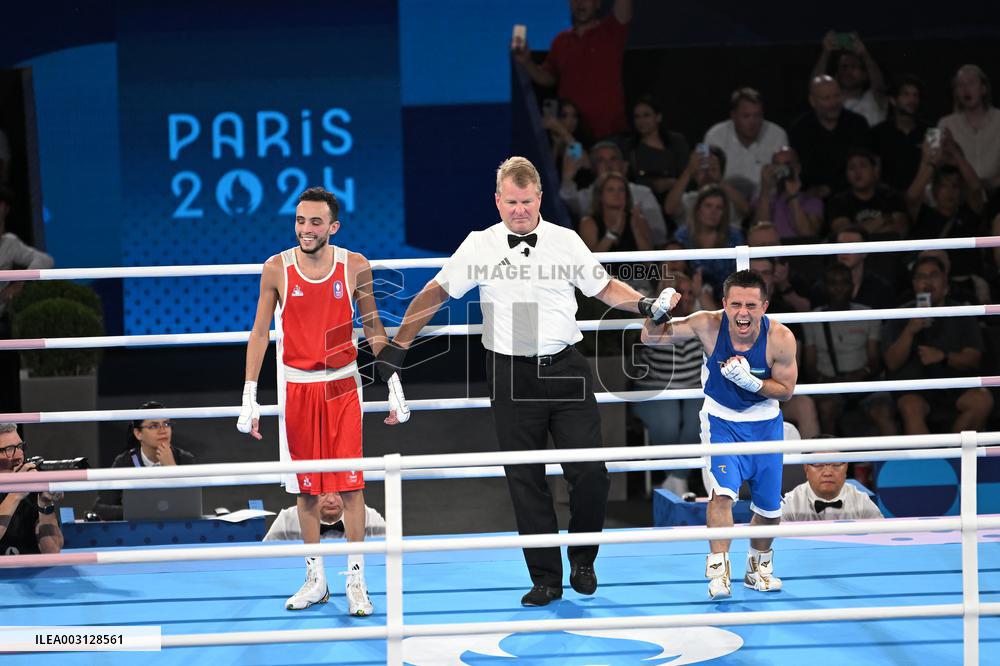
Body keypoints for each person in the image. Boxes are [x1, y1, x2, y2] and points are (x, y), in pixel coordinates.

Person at [376, 156, 677, 607]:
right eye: (511, 202)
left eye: (527, 201)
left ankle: (583, 558)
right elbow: (436, 291)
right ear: (497, 201)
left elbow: (603, 286)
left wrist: (645, 304)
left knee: (591, 473)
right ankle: (545, 579)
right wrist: (398, 345)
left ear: (539, 199)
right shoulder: (479, 244)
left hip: (566, 367)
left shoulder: (565, 240)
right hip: (509, 371)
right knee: (525, 479)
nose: (519, 210)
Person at [237, 186, 398, 616]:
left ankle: (357, 581)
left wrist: (394, 385)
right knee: (305, 492)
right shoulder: (276, 268)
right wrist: (249, 395)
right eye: (300, 221)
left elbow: (373, 326)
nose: (306, 229)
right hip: (297, 389)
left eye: (315, 222)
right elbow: (259, 333)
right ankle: (316, 579)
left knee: (350, 486)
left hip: (343, 385)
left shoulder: (354, 265)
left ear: (333, 226)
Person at [642, 269, 798, 600]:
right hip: (721, 421)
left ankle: (758, 571)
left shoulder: (781, 338)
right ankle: (719, 573)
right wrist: (657, 314)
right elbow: (651, 338)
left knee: (770, 509)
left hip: (766, 424)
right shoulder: (707, 324)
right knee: (722, 495)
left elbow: (786, 391)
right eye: (736, 304)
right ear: (725, 303)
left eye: (751, 305)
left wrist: (753, 384)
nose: (743, 313)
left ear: (765, 306)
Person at [883, 256, 993, 435]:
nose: (927, 282)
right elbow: (891, 363)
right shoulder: (899, 315)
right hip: (915, 388)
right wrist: (909, 331)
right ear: (914, 284)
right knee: (911, 406)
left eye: (933, 275)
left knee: (982, 400)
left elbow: (974, 358)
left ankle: (953, 458)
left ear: (945, 281)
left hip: (956, 385)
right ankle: (930, 462)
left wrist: (943, 356)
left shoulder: (963, 313)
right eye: (921, 277)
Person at [512, 0, 632, 139]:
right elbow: (548, 78)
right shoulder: (561, 41)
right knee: (574, 157)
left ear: (598, 3)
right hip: (570, 134)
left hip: (609, 133)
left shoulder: (611, 31)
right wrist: (526, 62)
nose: (580, 3)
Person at [802, 263, 895, 437]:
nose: (838, 288)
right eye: (832, 283)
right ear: (824, 287)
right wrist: (827, 382)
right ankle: (829, 462)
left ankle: (896, 463)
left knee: (883, 413)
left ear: (852, 286)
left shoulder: (868, 314)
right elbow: (809, 365)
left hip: (866, 384)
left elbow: (875, 359)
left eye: (844, 283)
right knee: (826, 409)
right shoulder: (812, 318)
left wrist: (861, 375)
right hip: (829, 386)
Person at [631, 272, 703, 495]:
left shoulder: (702, 319)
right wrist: (661, 306)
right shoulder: (651, 316)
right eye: (683, 293)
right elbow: (636, 344)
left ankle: (676, 478)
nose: (688, 298)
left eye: (692, 293)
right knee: (668, 421)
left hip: (694, 387)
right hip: (654, 388)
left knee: (700, 418)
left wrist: (702, 297)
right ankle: (677, 477)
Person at [91, 401, 196, 521]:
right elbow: (100, 509)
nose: (163, 430)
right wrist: (141, 511)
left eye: (166, 424)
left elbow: (191, 509)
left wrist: (172, 469)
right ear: (138, 433)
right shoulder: (125, 462)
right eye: (154, 426)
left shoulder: (185, 459)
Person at [0, 186, 55, 415]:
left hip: (1, 322)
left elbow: (45, 260)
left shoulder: (10, 243)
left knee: (6, 387)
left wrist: (18, 282)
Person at [561, 140, 668, 244]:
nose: (608, 165)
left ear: (623, 165)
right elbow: (568, 199)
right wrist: (567, 179)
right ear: (593, 167)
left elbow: (659, 234)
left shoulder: (643, 193)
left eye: (613, 159)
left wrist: (638, 231)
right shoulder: (587, 195)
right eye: (601, 160)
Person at [788, 75, 871, 198]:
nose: (833, 103)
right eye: (826, 98)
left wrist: (831, 188)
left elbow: (867, 166)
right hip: (812, 198)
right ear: (812, 101)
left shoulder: (857, 124)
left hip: (853, 195)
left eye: (837, 96)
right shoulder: (799, 129)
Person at [704, 87, 789, 200]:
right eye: (746, 116)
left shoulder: (779, 135)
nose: (752, 122)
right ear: (733, 116)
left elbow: (785, 176)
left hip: (766, 203)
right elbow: (703, 175)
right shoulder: (713, 135)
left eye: (757, 116)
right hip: (725, 204)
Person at [0, 423, 64, 555]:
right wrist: (16, 494)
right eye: (9, 449)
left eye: (19, 447)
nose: (19, 455)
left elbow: (52, 551)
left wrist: (45, 505)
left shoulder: (31, 482)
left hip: (31, 572)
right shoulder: (21, 490)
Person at [937, 65, 1000, 191]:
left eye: (971, 83)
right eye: (960, 85)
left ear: (983, 89)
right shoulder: (946, 124)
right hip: (960, 196)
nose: (965, 89)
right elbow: (936, 164)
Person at [663, 145, 749, 232]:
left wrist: (719, 180)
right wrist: (688, 171)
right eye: (703, 169)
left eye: (713, 169)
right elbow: (669, 209)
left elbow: (745, 209)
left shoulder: (730, 200)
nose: (707, 173)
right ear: (695, 175)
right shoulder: (688, 199)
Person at [826, 148, 908, 237]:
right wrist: (883, 220)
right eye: (852, 167)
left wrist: (861, 232)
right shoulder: (838, 202)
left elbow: (899, 229)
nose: (857, 172)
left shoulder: (892, 197)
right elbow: (845, 234)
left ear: (874, 170)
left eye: (863, 165)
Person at [812, 31, 887, 126]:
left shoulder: (873, 99)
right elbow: (816, 87)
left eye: (854, 66)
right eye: (844, 67)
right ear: (836, 75)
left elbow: (879, 86)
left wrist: (864, 54)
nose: (848, 72)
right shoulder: (831, 104)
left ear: (865, 75)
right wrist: (826, 52)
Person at [624, 95, 689, 201]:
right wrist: (653, 186)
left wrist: (674, 183)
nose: (641, 121)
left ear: (658, 117)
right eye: (637, 117)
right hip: (644, 201)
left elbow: (687, 172)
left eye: (646, 115)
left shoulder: (676, 142)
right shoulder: (630, 147)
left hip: (678, 198)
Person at [872, 74, 929, 192]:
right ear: (893, 100)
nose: (912, 100)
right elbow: (874, 173)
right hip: (887, 199)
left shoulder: (929, 132)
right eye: (906, 95)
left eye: (915, 95)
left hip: (923, 198)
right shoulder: (878, 133)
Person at [751, 146, 823, 239]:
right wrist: (765, 190)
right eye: (777, 164)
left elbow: (807, 235)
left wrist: (793, 196)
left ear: (797, 168)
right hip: (771, 250)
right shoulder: (762, 199)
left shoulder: (812, 201)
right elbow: (760, 231)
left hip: (798, 250)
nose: (782, 169)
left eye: (787, 164)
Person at [782, 460, 884, 521]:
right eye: (819, 464)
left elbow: (883, 536)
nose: (827, 473)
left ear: (846, 467)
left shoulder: (861, 500)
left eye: (835, 464)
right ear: (806, 468)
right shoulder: (791, 502)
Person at [264, 492, 386, 542]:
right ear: (311, 495)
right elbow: (263, 561)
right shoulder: (287, 519)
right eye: (323, 493)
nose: (331, 500)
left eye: (338, 493)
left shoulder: (368, 516)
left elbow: (394, 557)